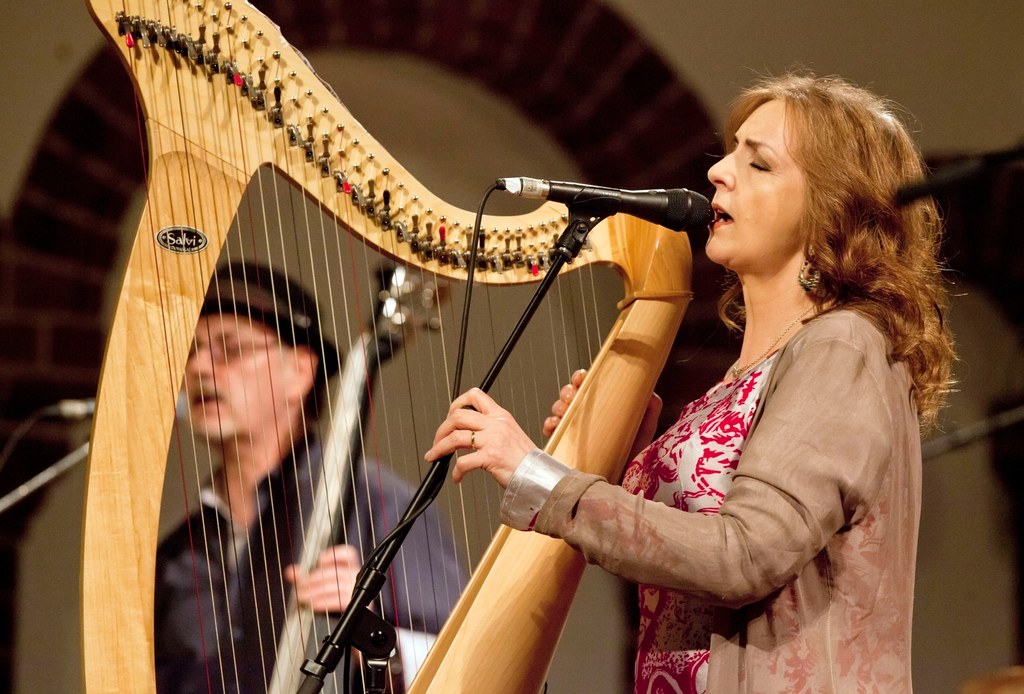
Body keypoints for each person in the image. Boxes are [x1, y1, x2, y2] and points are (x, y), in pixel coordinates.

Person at [426, 73, 955, 693]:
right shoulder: (748, 374)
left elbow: (744, 555)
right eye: (731, 152)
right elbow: (696, 559)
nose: (718, 172)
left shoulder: (843, 346)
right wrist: (629, 464)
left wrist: (541, 479)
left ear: (830, 208)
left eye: (758, 164)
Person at [155, 262, 465, 693]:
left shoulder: (380, 505)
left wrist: (371, 634)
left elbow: (469, 669)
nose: (201, 369)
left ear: (300, 372)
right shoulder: (176, 553)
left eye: (230, 348)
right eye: (193, 351)